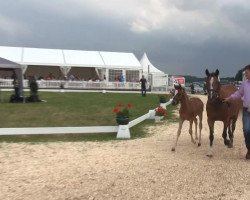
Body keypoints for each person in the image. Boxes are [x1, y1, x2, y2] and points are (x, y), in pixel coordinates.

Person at [224, 64, 250, 159]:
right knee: (246, 130)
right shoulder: (245, 84)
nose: (245, 75)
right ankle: (249, 149)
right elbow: (238, 94)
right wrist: (229, 98)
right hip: (246, 111)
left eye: (246, 73)